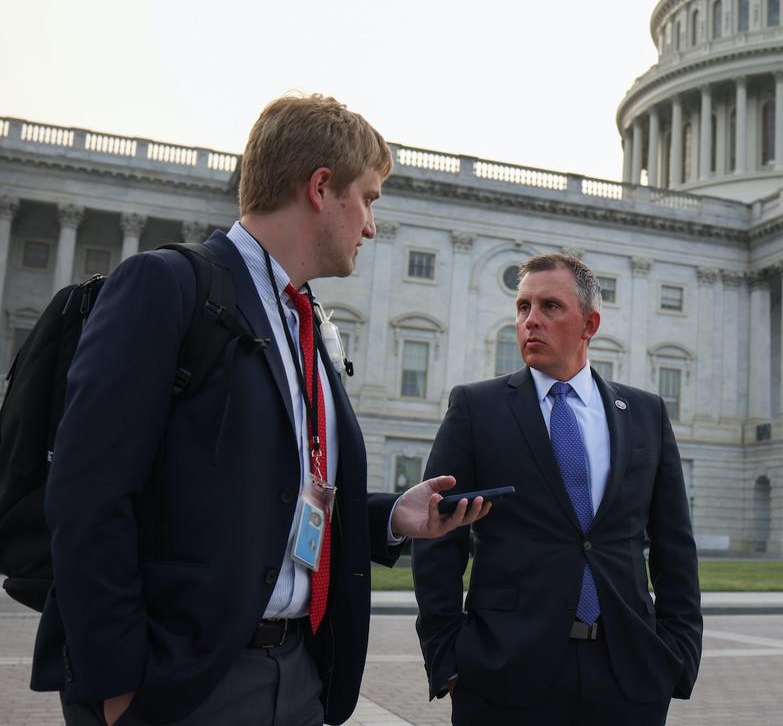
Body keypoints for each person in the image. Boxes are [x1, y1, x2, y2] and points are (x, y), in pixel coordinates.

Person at [30, 94, 489, 726]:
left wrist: (388, 517)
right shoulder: (167, 286)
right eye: (370, 198)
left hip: (297, 674)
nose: (373, 225)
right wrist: (117, 691)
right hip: (185, 682)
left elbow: (278, 491)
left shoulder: (305, 322)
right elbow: (87, 492)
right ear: (322, 188)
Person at [412, 252, 703, 726]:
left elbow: (674, 546)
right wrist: (447, 657)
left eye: (550, 307)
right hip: (504, 673)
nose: (530, 321)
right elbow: (440, 537)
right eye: (523, 307)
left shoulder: (646, 414)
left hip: (629, 674)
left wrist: (678, 653)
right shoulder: (476, 408)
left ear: (590, 324)